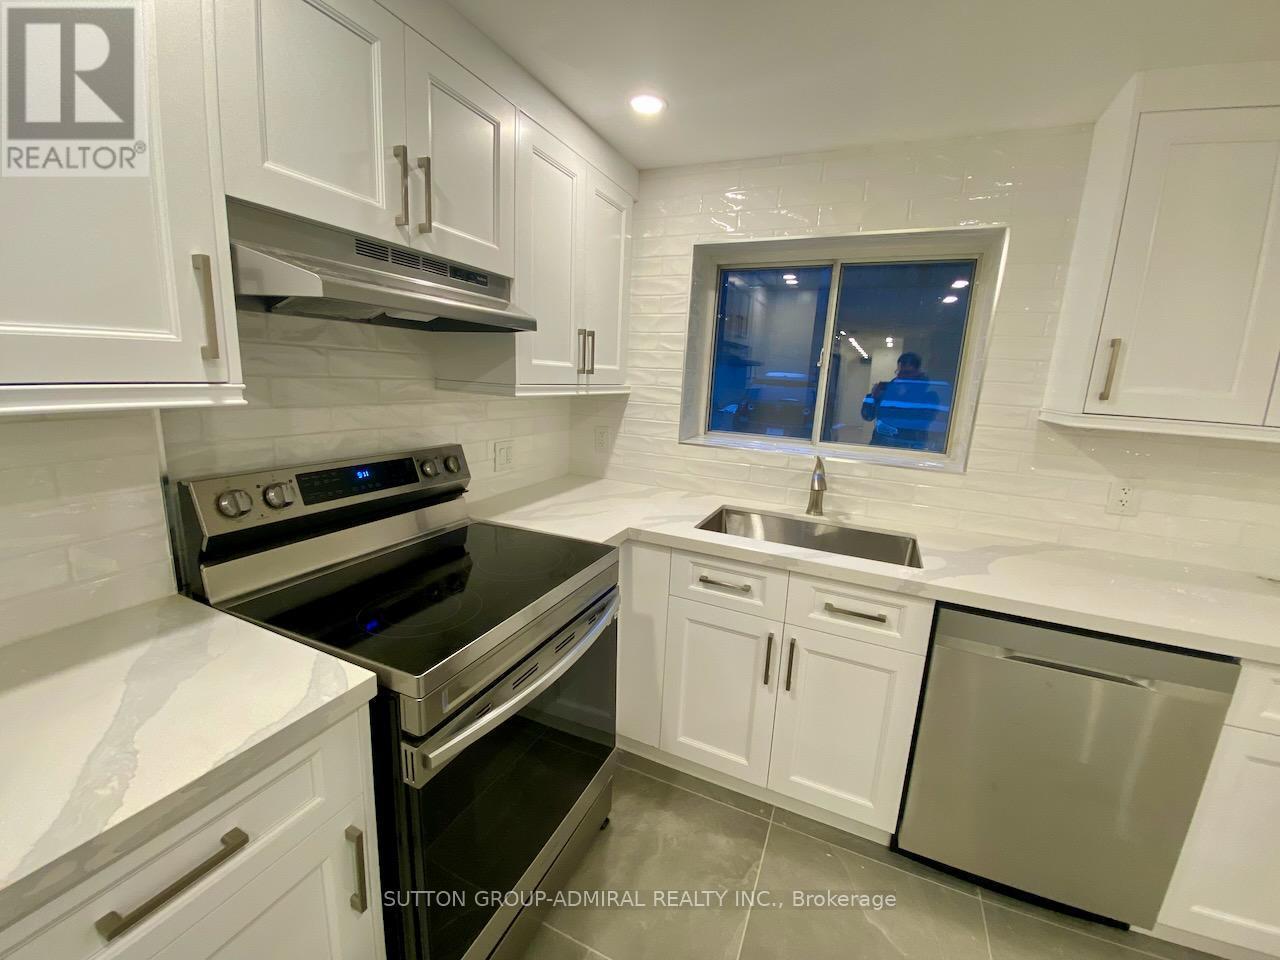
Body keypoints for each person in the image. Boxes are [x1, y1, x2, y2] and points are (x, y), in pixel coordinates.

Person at [860, 352, 945, 449]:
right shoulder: (887, 390)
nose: (901, 376)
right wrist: (873, 397)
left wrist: (902, 396)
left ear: (919, 372)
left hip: (910, 448)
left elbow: (919, 422)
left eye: (907, 373)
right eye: (899, 372)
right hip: (881, 445)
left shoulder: (929, 395)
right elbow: (867, 416)